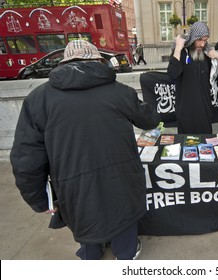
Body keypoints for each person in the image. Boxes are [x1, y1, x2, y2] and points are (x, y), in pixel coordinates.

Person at [10, 40, 160, 260]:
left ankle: (91, 254)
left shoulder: (38, 99)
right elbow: (149, 120)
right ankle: (126, 254)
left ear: (64, 63)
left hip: (73, 184)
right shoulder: (120, 92)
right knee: (123, 211)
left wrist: (39, 199)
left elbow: (26, 159)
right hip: (122, 177)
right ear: (99, 61)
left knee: (85, 215)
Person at [167, 21, 218, 134]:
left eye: (205, 40)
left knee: (205, 145)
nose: (202, 44)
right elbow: (172, 74)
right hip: (186, 111)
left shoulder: (207, 54)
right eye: (199, 40)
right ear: (193, 38)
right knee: (187, 145)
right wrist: (178, 48)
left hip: (204, 110)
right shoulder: (181, 53)